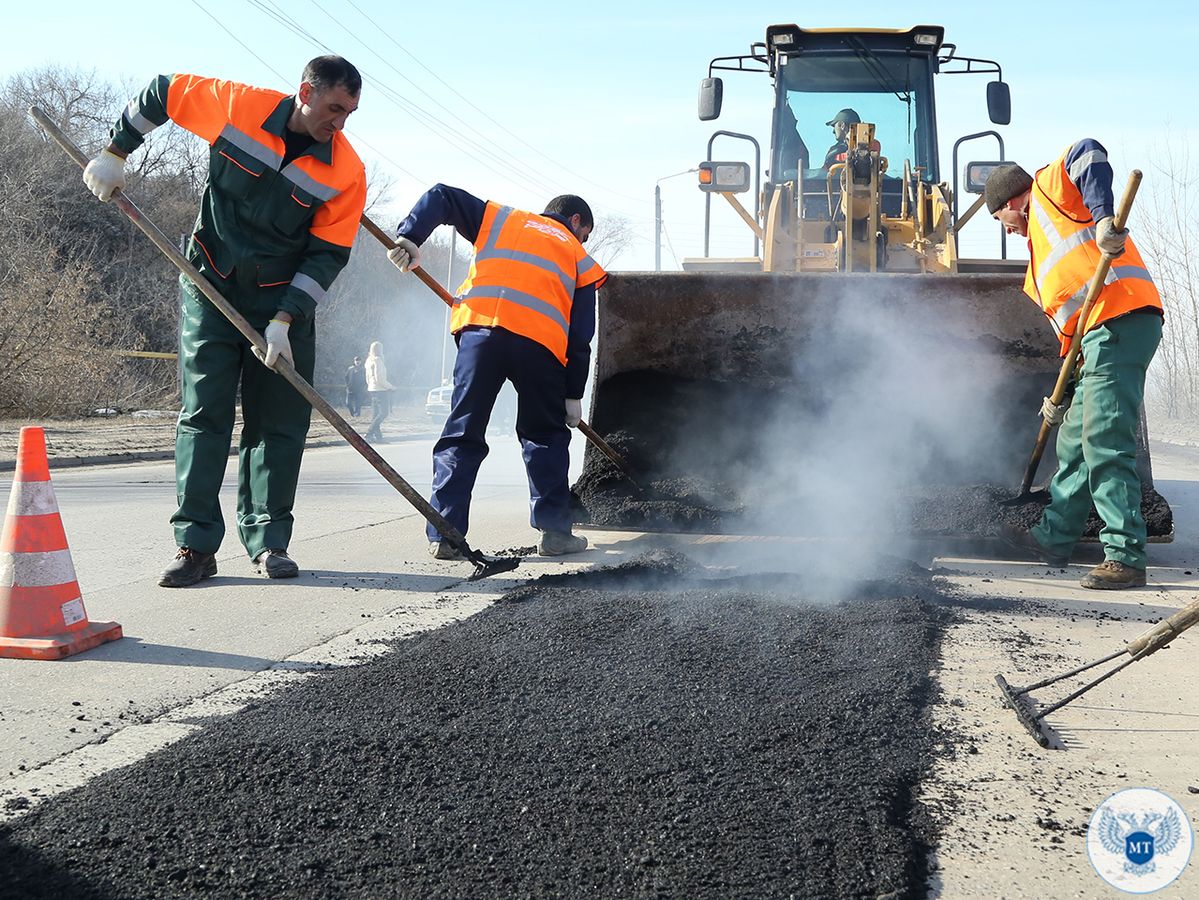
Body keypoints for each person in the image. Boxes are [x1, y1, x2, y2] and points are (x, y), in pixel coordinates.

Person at [82, 56, 367, 587]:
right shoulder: (239, 107)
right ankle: (195, 547)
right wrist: (115, 151)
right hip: (210, 283)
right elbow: (162, 90)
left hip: (281, 307)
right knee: (204, 414)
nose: (340, 123)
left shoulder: (345, 171)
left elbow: (327, 255)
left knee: (279, 425)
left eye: (350, 113)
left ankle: (269, 543)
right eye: (334, 108)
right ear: (305, 91)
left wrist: (284, 319)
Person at [386, 185, 607, 558]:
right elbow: (581, 334)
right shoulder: (577, 256)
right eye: (585, 234)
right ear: (575, 222)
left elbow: (443, 196)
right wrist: (573, 394)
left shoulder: (502, 218)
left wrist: (411, 235)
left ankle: (445, 533)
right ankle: (555, 533)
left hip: (480, 337)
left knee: (461, 433)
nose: (582, 240)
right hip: (540, 348)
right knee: (545, 437)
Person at [986, 140, 1163, 590]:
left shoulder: (1048, 188)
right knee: (1073, 440)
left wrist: (1104, 218)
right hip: (1096, 340)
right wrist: (1060, 397)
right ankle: (1053, 537)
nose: (1004, 229)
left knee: (1103, 439)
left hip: (1122, 319)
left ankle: (1125, 556)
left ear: (1010, 202)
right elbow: (1071, 332)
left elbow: (1088, 152)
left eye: (998, 218)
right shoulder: (1037, 266)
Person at [364, 341, 395, 442]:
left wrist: (370, 386)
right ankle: (369, 433)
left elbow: (368, 377)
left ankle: (378, 437)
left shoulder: (368, 361)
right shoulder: (378, 360)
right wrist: (390, 387)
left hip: (372, 389)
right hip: (381, 390)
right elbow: (380, 378)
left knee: (375, 414)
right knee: (383, 413)